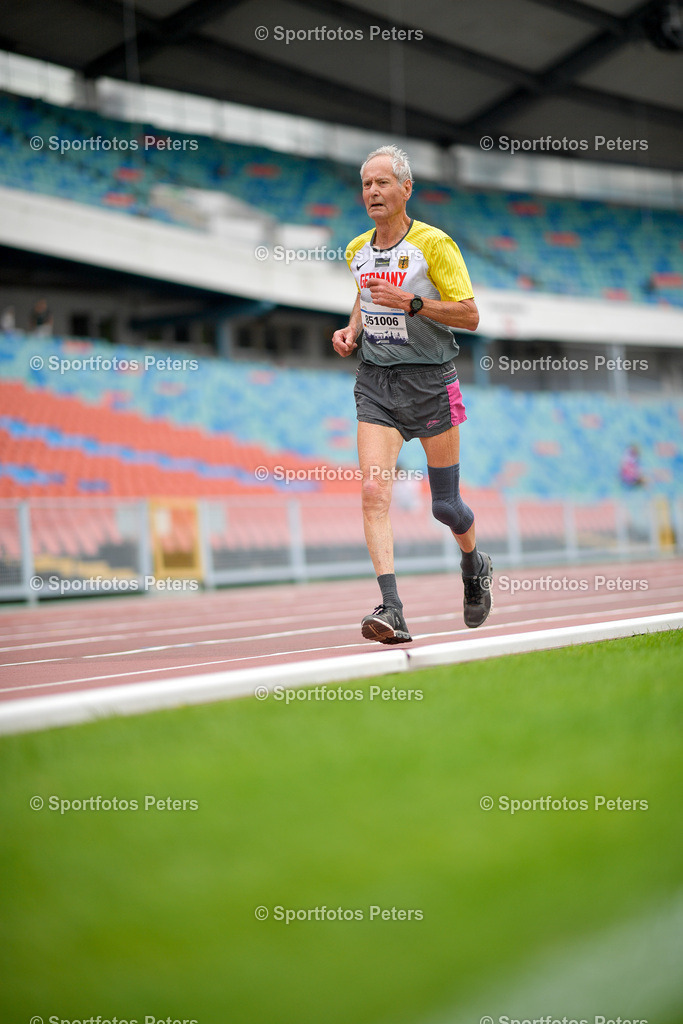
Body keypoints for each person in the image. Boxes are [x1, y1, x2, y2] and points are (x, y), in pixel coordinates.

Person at [332, 145, 492, 645]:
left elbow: (470, 315)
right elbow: (364, 295)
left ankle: (474, 563)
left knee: (445, 506)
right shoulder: (356, 249)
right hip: (376, 382)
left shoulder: (434, 244)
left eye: (382, 183)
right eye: (366, 185)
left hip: (431, 383)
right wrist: (353, 328)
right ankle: (393, 609)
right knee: (373, 491)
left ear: (406, 188)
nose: (372, 192)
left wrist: (414, 303)